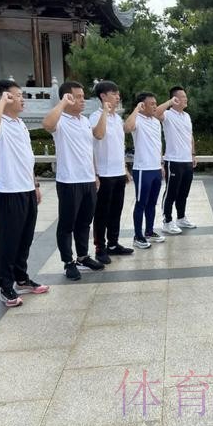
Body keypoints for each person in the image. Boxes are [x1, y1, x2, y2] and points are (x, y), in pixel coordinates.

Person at [0, 79, 49, 307]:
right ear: (5, 97)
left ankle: (22, 278)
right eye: (18, 95)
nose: (23, 99)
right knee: (9, 242)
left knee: (25, 239)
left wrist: (35, 185)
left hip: (27, 190)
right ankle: (5, 286)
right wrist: (2, 102)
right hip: (9, 192)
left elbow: (27, 158)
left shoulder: (20, 123)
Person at [43, 81, 107, 280]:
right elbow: (47, 125)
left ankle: (82, 256)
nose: (82, 100)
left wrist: (95, 174)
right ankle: (68, 262)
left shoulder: (84, 121)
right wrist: (62, 103)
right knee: (67, 225)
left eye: (82, 96)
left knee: (85, 222)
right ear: (67, 98)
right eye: (77, 97)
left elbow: (90, 148)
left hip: (88, 179)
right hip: (69, 181)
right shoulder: (60, 120)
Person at [89, 81, 134, 265]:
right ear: (103, 96)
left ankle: (113, 244)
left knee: (116, 211)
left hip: (118, 172)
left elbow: (119, 146)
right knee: (102, 213)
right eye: (114, 94)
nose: (118, 97)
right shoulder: (95, 117)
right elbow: (98, 136)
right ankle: (100, 248)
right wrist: (95, 174)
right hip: (104, 174)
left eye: (118, 94)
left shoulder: (117, 118)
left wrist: (125, 169)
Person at [124, 93, 166, 249]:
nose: (155, 106)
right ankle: (138, 236)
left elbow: (158, 144)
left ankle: (149, 231)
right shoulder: (137, 120)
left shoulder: (156, 122)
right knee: (141, 203)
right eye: (151, 104)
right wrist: (136, 110)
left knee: (152, 203)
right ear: (142, 105)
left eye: (156, 103)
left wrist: (161, 164)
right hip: (143, 169)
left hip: (156, 168)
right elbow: (127, 128)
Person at [160, 86, 197, 234]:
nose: (186, 99)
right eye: (182, 97)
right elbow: (155, 113)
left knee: (183, 192)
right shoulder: (167, 115)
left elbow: (190, 135)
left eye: (185, 96)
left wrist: (193, 154)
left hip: (187, 160)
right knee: (171, 192)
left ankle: (181, 218)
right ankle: (167, 221)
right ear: (175, 99)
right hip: (173, 161)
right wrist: (169, 102)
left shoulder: (186, 116)